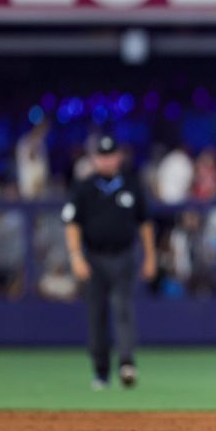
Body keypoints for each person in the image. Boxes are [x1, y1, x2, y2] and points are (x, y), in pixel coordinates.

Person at [62, 136, 156, 390]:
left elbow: (144, 224)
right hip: (93, 258)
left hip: (124, 255)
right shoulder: (84, 187)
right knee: (97, 315)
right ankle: (101, 371)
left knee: (123, 308)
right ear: (94, 159)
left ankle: (127, 362)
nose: (106, 160)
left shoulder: (131, 184)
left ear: (118, 157)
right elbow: (72, 223)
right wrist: (75, 256)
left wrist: (150, 257)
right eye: (101, 156)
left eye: (110, 155)